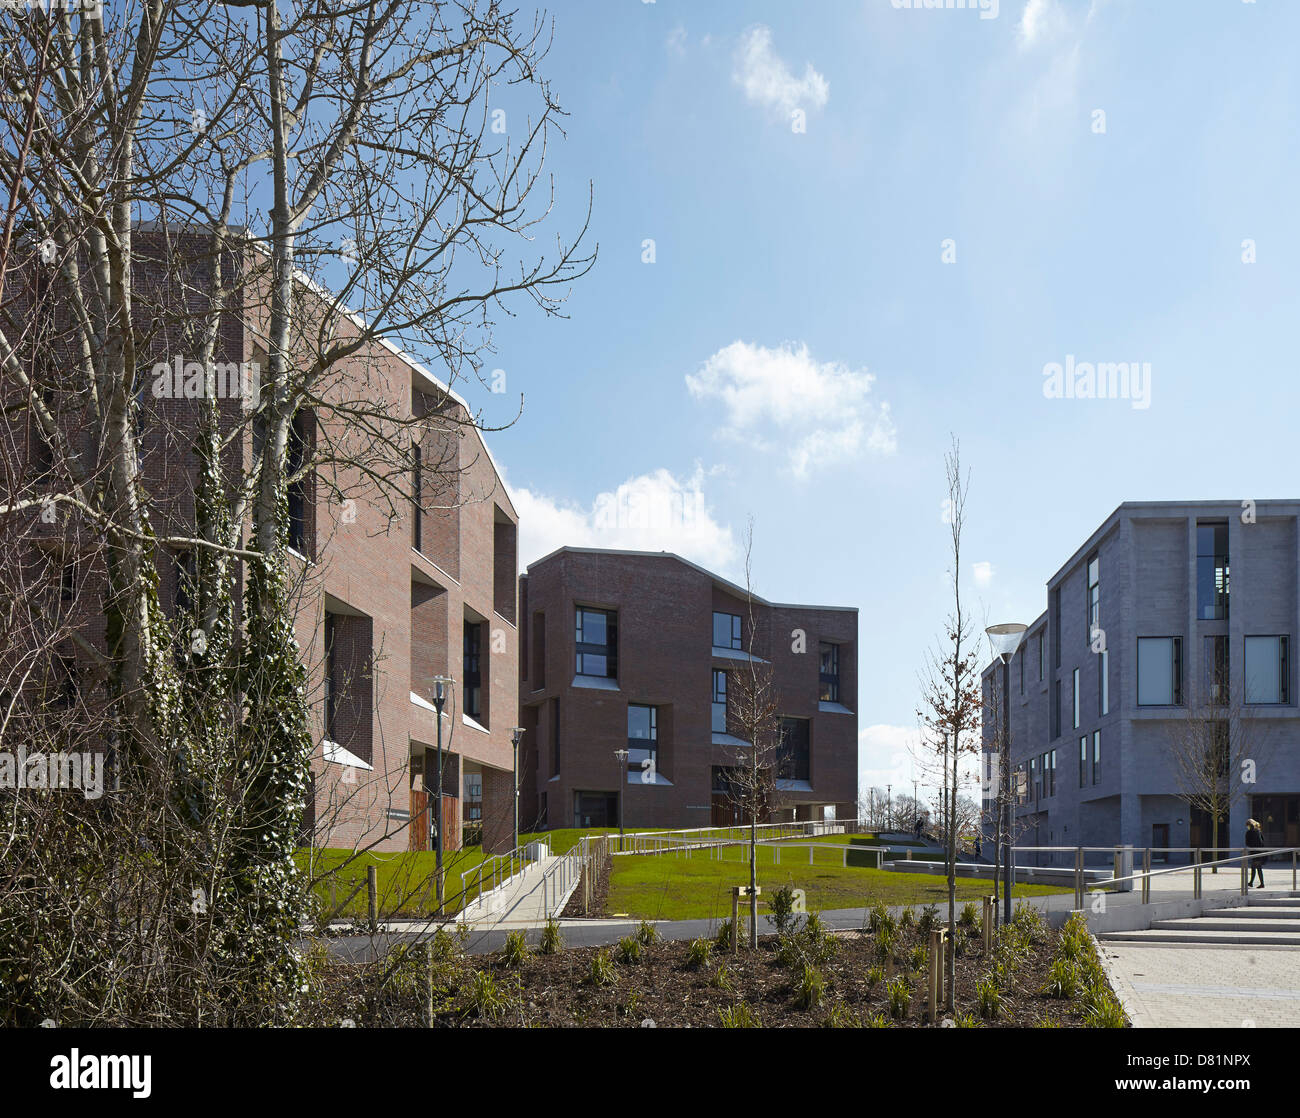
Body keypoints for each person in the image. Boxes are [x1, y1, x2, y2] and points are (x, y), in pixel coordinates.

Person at [1246, 818, 1266, 889]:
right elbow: (1262, 841)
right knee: (1255, 867)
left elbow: (1247, 843)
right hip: (1259, 851)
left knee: (1257, 867)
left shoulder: (1249, 832)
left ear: (1248, 825)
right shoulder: (1258, 831)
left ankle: (1261, 883)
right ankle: (1251, 882)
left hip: (1254, 851)